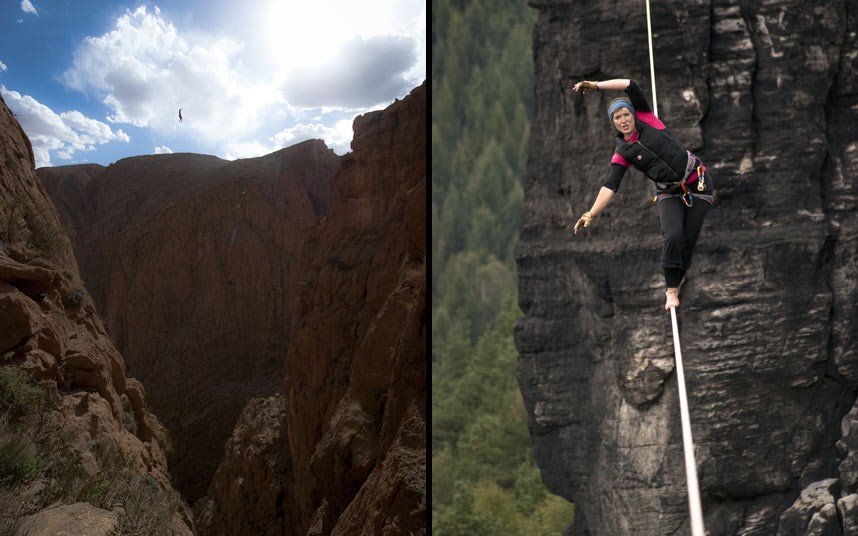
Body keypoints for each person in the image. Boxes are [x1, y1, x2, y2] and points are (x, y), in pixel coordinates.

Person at [571, 79, 714, 310]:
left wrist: (597, 86)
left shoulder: (648, 118)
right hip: (668, 191)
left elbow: (630, 84)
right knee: (673, 235)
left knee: (687, 241)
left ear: (633, 115)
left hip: (698, 182)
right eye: (617, 118)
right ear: (613, 123)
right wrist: (591, 213)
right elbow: (610, 186)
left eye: (626, 114)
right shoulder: (622, 153)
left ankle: (679, 276)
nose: (624, 120)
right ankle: (671, 290)